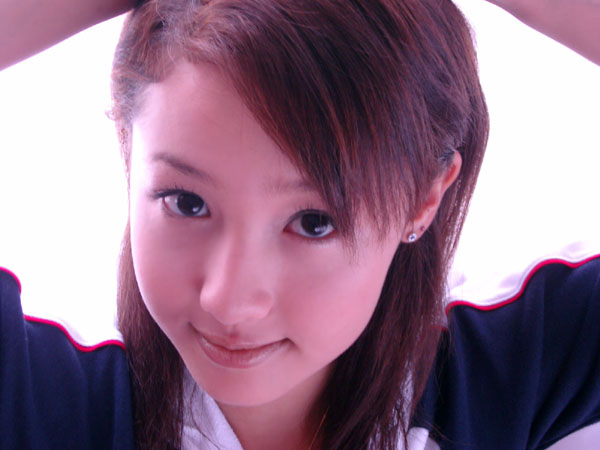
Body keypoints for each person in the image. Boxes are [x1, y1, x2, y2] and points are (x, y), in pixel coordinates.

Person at [0, 1, 598, 449]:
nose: (229, 301)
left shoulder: (513, 366)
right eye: (186, 203)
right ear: (128, 150)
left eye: (313, 222)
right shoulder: (43, 397)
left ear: (424, 198)